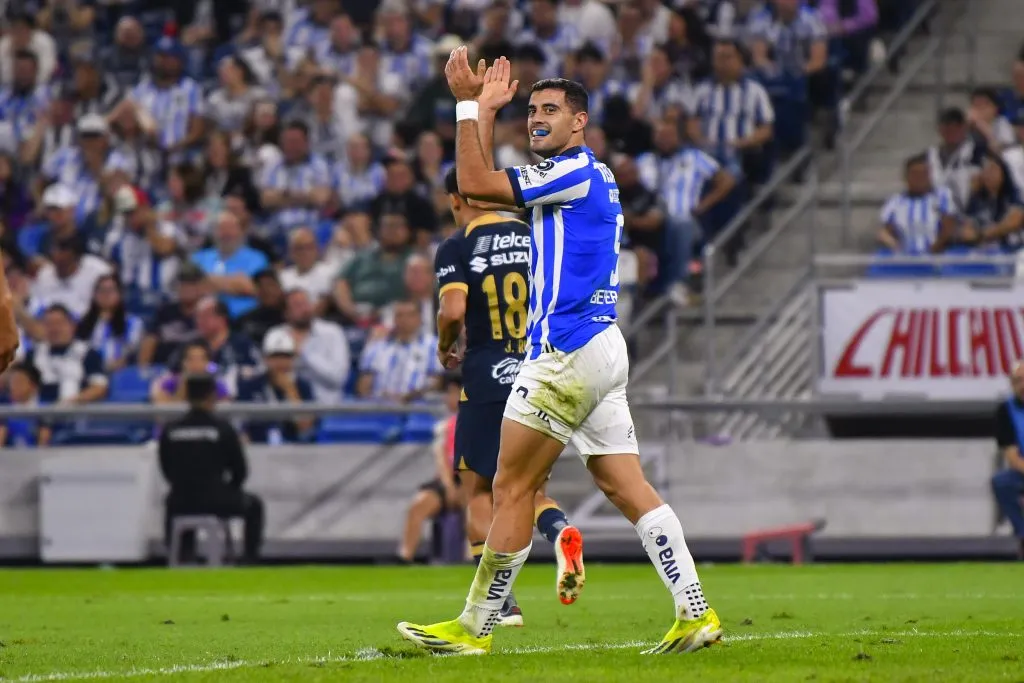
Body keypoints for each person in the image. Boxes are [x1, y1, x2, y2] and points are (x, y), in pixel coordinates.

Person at [397, 54, 720, 655]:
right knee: (626, 487)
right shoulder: (575, 176)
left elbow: (474, 185)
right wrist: (487, 112)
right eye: (533, 110)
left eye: (551, 110)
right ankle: (695, 612)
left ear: (580, 123)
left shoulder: (574, 172)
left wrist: (469, 107)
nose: (538, 119)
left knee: (509, 487)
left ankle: (474, 629)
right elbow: (485, 189)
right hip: (601, 347)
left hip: (563, 351)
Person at [431, 165, 582, 627]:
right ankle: (559, 531)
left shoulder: (458, 245)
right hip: (541, 369)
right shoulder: (535, 236)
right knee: (530, 487)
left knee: (478, 487)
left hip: (486, 374)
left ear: (458, 199)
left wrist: (444, 344)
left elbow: (454, 309)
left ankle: (503, 602)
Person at [158, 373, 265, 564]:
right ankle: (250, 559)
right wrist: (228, 489)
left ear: (187, 397)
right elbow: (240, 470)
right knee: (254, 505)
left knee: (172, 503)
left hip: (181, 500)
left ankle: (182, 555)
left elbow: (166, 469)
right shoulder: (223, 428)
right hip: (218, 498)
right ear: (211, 396)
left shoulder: (170, 430)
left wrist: (183, 487)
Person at [397, 373, 462, 564]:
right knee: (418, 506)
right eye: (449, 393)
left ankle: (471, 558)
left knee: (474, 503)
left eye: (454, 393)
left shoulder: (481, 424)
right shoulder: (444, 426)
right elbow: (441, 460)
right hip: (449, 480)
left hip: (473, 480)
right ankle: (405, 556)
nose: (450, 398)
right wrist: (449, 486)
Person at [992, 360, 1024, 560]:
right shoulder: (1006, 411)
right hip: (1021, 471)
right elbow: (1012, 457)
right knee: (1001, 482)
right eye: (1018, 381)